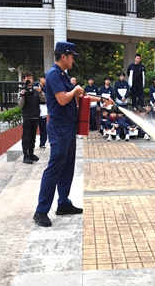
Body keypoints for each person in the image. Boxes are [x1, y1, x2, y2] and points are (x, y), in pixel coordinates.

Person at [34, 41, 112, 228]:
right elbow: (62, 99)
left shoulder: (63, 75)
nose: (73, 60)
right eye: (72, 57)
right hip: (59, 128)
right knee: (54, 168)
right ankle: (41, 211)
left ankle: (63, 203)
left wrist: (102, 99)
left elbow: (80, 97)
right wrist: (75, 89)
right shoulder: (53, 74)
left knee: (67, 167)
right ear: (63, 56)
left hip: (68, 127)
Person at [19, 71, 45, 164]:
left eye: (31, 78)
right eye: (27, 78)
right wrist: (22, 96)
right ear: (23, 80)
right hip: (27, 117)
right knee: (26, 137)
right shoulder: (22, 91)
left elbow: (43, 100)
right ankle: (25, 156)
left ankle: (31, 153)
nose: (30, 80)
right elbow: (20, 105)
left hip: (35, 116)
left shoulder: (36, 90)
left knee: (33, 137)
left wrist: (40, 92)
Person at [38, 74, 48, 149]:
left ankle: (43, 143)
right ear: (40, 79)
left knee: (43, 127)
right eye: (44, 78)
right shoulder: (35, 86)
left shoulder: (47, 88)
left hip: (43, 108)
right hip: (34, 108)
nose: (45, 80)